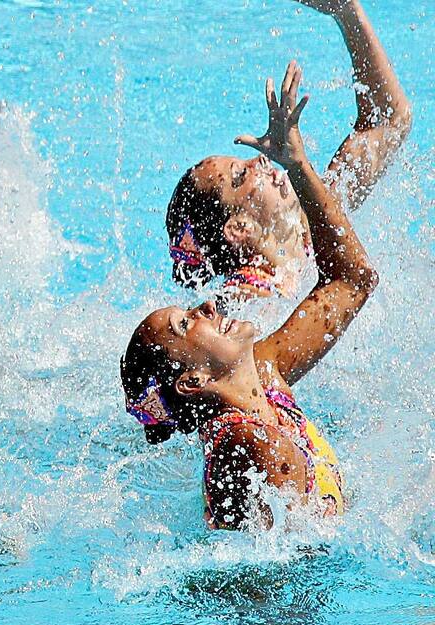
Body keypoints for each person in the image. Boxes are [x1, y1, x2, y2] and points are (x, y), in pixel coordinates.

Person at [121, 62, 378, 530]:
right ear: (193, 381)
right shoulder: (242, 450)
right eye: (186, 323)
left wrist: (298, 166)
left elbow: (353, 282)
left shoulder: (265, 374)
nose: (206, 305)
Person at [166, 0, 407, 305]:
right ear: (240, 228)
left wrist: (348, 14)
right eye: (241, 174)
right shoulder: (242, 306)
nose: (260, 160)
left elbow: (389, 122)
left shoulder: (316, 222)